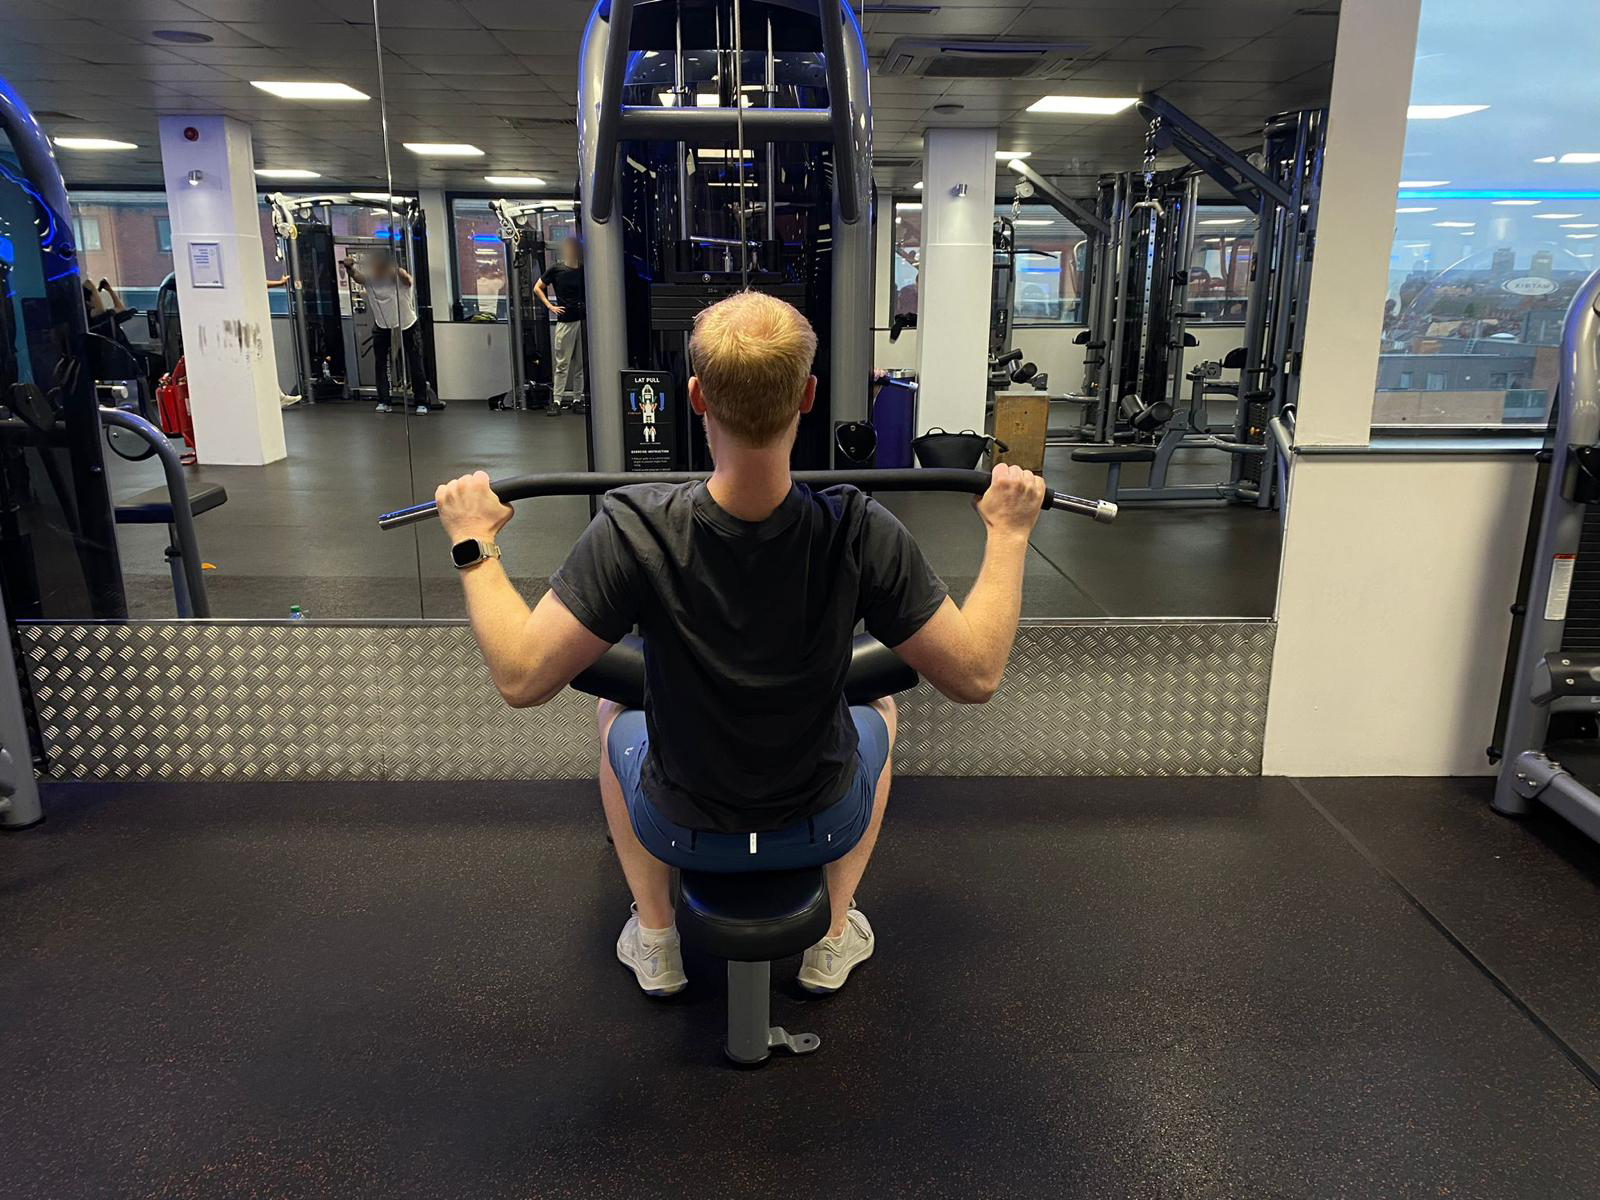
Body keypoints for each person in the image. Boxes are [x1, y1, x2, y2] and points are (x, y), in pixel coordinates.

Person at [432, 291, 1045, 999]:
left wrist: (474, 542)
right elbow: (974, 675)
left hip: (679, 824)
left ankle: (656, 937)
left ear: (695, 396)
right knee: (880, 706)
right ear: (809, 395)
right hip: (821, 820)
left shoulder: (634, 526)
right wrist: (1009, 534)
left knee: (611, 717)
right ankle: (834, 934)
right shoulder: (859, 527)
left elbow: (520, 676)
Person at [343, 251, 437, 414]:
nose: (374, 269)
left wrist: (396, 270)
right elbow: (356, 276)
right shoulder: (370, 280)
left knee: (415, 364)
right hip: (382, 326)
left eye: (378, 266)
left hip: (407, 325)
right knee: (381, 364)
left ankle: (421, 402)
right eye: (373, 266)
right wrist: (349, 267)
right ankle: (384, 401)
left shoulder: (399, 280)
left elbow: (406, 278)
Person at [533, 237, 586, 413]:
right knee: (562, 364)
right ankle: (557, 401)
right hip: (566, 322)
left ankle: (577, 400)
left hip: (582, 321)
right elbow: (537, 288)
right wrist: (550, 306)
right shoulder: (556, 270)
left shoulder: (584, 270)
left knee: (580, 365)